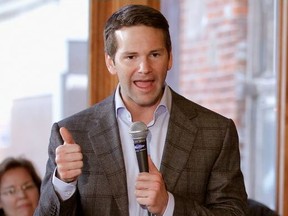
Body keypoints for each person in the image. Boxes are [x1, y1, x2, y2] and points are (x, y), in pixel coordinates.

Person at [35, 4, 248, 216]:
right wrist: (63, 183)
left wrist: (169, 206)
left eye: (154, 55)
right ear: (111, 63)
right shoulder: (72, 134)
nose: (144, 68)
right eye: (131, 57)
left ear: (170, 58)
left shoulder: (216, 132)